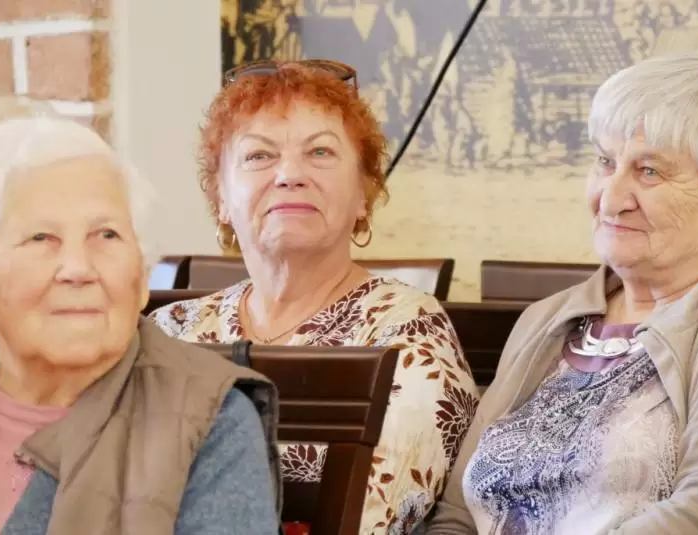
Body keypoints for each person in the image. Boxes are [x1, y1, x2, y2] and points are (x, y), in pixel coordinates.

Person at [426, 52, 698, 534]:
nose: (611, 199)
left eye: (650, 171)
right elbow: (456, 516)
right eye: (605, 162)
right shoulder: (546, 319)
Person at [149, 59, 479, 533]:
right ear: (220, 197)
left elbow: (368, 518)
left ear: (365, 192)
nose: (289, 174)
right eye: (259, 156)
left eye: (320, 152)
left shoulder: (408, 334)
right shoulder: (169, 332)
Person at [0, 116, 281, 535]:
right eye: (41, 238)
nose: (78, 268)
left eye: (106, 235)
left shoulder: (210, 423)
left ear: (142, 276)